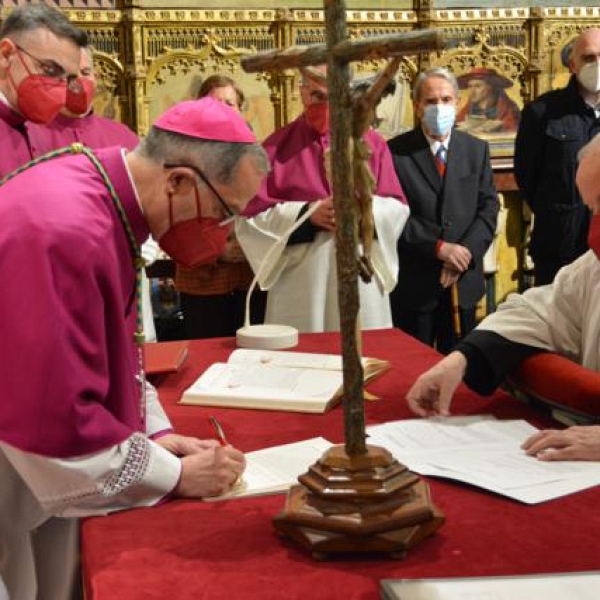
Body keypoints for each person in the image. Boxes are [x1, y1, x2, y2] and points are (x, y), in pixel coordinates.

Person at [0, 97, 269, 599]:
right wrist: (176, 476)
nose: (226, 235)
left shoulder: (103, 196)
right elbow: (56, 416)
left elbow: (109, 349)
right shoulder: (65, 230)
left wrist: (154, 435)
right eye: (225, 212)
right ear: (178, 182)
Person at [405, 133, 600, 462]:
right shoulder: (593, 266)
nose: (593, 224)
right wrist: (461, 358)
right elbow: (541, 313)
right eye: (592, 208)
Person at [237, 65, 410, 333]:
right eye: (318, 96)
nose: (327, 105)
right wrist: (306, 214)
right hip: (301, 280)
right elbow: (250, 220)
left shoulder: (372, 144)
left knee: (365, 355)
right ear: (302, 93)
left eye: (335, 96)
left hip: (359, 269)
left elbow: (397, 209)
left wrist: (361, 211)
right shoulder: (275, 148)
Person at [388, 67, 499, 354]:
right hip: (415, 284)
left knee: (460, 372)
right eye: (431, 101)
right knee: (413, 366)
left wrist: (463, 252)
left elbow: (488, 208)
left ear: (457, 102)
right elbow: (390, 214)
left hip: (463, 282)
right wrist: (438, 247)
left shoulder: (476, 150)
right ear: (416, 106)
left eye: (446, 100)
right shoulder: (394, 153)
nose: (440, 107)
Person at [174, 74, 266, 338]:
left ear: (240, 109)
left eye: (230, 103)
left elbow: (272, 210)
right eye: (214, 103)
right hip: (203, 283)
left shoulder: (258, 155)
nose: (223, 110)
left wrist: (249, 244)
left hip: (250, 279)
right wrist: (218, 250)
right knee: (208, 360)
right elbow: (173, 218)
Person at [514, 28, 600, 286]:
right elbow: (527, 177)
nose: (596, 65)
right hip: (559, 248)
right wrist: (561, 214)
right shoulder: (542, 112)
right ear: (572, 64)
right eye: (589, 57)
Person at [0, 4, 86, 172]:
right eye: (50, 70)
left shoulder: (43, 128)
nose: (61, 94)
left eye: (69, 79)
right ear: (6, 55)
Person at [455, 67, 520, 134]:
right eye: (470, 86)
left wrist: (499, 127)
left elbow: (514, 131)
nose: (472, 91)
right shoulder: (467, 109)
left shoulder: (508, 109)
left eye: (478, 86)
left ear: (490, 87)